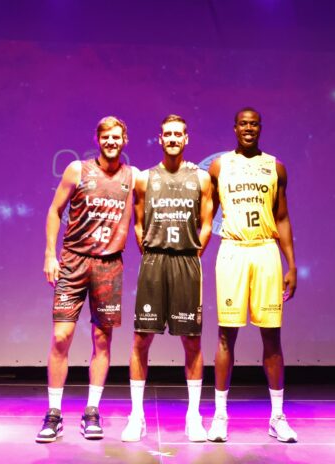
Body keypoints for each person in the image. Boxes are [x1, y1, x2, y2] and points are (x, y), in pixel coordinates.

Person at [36, 116, 137, 443]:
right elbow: (54, 210)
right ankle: (53, 413)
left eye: (116, 137)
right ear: (98, 139)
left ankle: (92, 411)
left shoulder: (133, 177)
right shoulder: (77, 170)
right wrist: (50, 254)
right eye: (106, 136)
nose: (111, 141)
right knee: (61, 337)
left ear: (124, 140)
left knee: (102, 341)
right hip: (74, 262)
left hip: (109, 266)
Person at [207, 108, 298, 443]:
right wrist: (195, 254)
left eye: (254, 123)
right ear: (235, 128)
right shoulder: (220, 166)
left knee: (272, 336)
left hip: (265, 251)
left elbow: (282, 217)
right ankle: (220, 417)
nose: (248, 128)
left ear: (260, 128)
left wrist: (292, 265)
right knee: (225, 335)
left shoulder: (275, 166)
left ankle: (277, 417)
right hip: (232, 250)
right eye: (243, 123)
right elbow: (207, 215)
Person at [120, 115, 213, 442]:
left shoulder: (201, 178)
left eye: (178, 134)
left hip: (186, 262)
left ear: (186, 139)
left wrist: (194, 253)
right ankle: (136, 416)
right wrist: (148, 251)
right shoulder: (145, 178)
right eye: (167, 134)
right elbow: (137, 222)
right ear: (160, 139)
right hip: (154, 262)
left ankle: (193, 417)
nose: (173, 139)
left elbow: (207, 222)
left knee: (192, 341)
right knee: (141, 340)